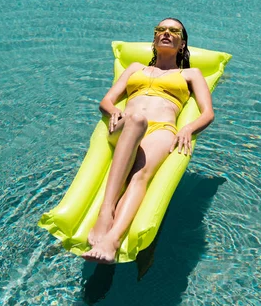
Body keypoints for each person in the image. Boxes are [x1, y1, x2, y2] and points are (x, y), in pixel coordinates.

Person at [82, 18, 214, 264]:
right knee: (137, 120)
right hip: (126, 125)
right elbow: (106, 101)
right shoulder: (134, 68)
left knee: (139, 176)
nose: (166, 33)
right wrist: (114, 113)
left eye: (173, 31)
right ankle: (105, 212)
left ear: (182, 44)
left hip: (162, 130)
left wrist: (188, 128)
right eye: (161, 30)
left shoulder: (191, 74)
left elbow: (208, 113)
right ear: (154, 39)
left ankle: (112, 240)